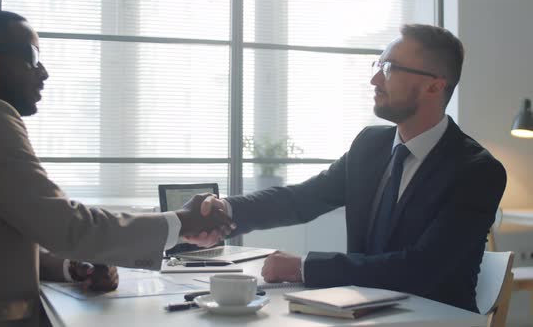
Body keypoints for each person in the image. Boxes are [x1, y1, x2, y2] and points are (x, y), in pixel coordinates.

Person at [0, 9, 233, 326]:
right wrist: (181, 223)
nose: (43, 72)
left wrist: (70, 267)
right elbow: (67, 225)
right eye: (32, 56)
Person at [189, 24, 507, 313]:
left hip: (435, 320)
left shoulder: (477, 171)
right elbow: (302, 199)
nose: (375, 79)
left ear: (435, 87)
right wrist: (227, 210)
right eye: (378, 65)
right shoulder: (370, 145)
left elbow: (422, 268)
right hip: (361, 314)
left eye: (390, 68)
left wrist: (303, 268)